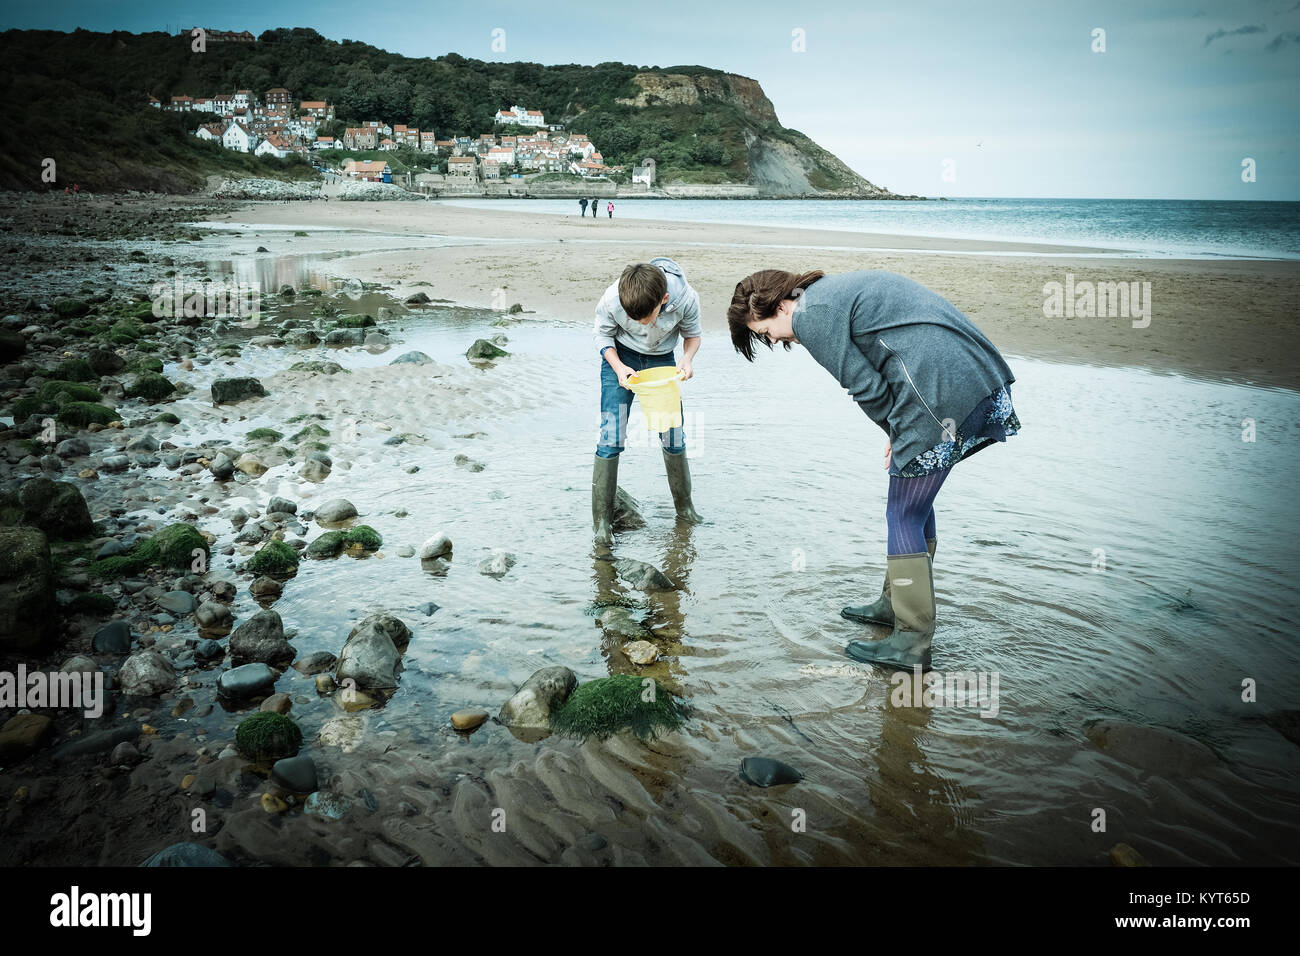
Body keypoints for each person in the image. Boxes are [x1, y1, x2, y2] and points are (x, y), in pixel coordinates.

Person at [727, 269, 1020, 672]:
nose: (772, 340)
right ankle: (893, 604)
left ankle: (912, 643)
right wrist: (900, 431)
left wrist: (900, 431)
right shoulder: (827, 294)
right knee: (914, 498)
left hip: (939, 390)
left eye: (764, 331)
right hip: (972, 380)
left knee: (902, 512)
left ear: (780, 306)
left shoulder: (811, 314)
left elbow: (865, 387)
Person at [592, 258, 704, 546]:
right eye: (634, 319)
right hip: (620, 357)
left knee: (673, 436)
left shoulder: (686, 299)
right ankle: (602, 525)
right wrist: (618, 368)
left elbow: (692, 335)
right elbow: (602, 334)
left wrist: (687, 360)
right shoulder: (611, 298)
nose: (642, 325)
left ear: (664, 299)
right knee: (611, 436)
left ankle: (685, 510)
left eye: (648, 318)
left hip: (662, 361)